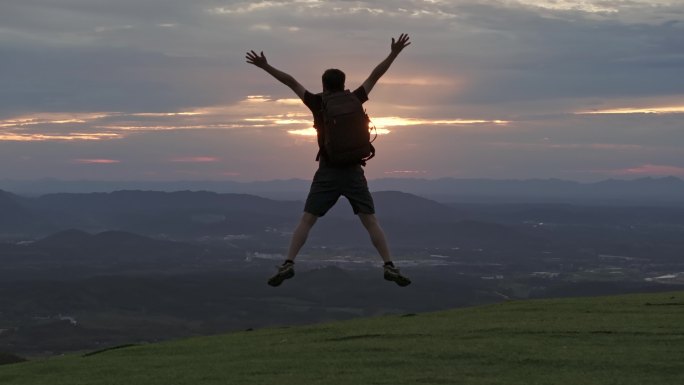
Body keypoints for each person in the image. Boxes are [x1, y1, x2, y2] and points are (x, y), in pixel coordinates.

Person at [246, 33, 412, 287]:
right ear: (343, 83)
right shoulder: (355, 98)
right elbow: (375, 75)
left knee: (307, 219)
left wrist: (265, 65)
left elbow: (291, 82)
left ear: (324, 85)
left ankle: (289, 262)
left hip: (327, 171)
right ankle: (389, 264)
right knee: (370, 221)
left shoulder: (317, 103)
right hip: (354, 171)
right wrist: (394, 53)